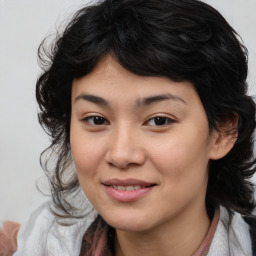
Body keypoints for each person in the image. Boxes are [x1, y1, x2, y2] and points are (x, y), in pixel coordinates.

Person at [1, 0, 256, 255]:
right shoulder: (33, 245)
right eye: (96, 119)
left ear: (222, 132)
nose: (121, 155)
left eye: (159, 120)